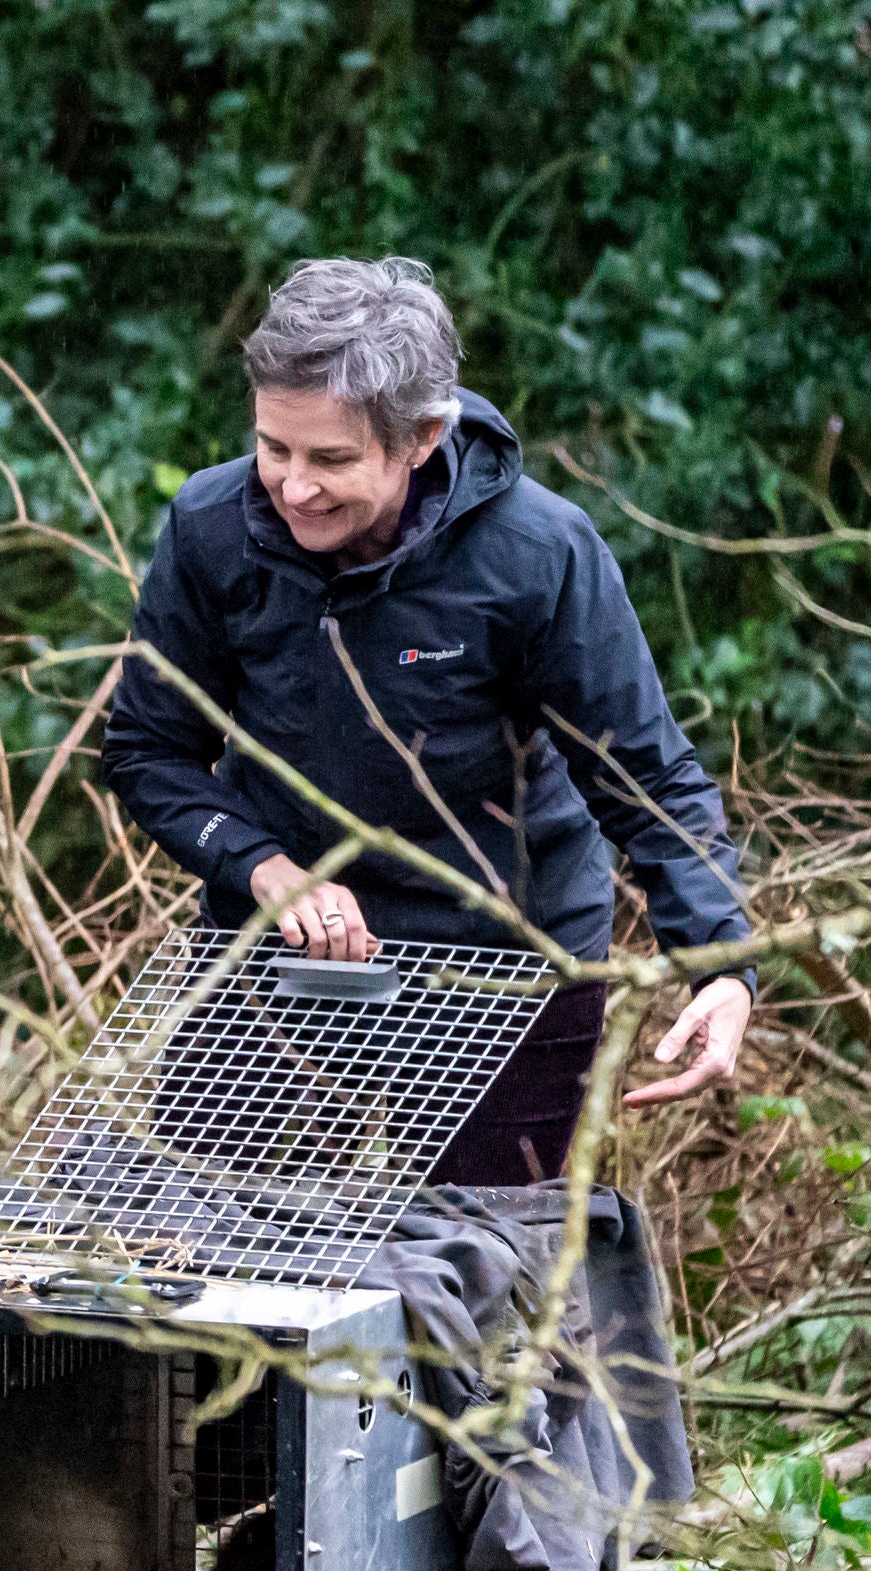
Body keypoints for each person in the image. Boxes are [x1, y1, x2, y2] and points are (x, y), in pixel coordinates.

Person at [102, 257, 755, 1184]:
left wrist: (721, 965)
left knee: (478, 1270)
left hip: (503, 959)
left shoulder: (536, 553)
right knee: (207, 1252)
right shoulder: (212, 527)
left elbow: (644, 778)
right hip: (281, 941)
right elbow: (147, 749)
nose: (292, 489)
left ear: (422, 437)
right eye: (273, 448)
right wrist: (262, 869)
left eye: (330, 460)